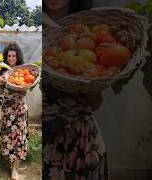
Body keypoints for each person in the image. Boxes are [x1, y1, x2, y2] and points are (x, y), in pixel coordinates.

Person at [43, 0, 109, 179]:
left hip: (80, 140)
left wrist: (82, 81)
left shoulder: (89, 33)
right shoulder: (33, 29)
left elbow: (95, 103)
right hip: (45, 142)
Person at [0, 43, 28, 180]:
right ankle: (6, 159)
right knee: (8, 136)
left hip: (20, 109)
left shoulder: (22, 71)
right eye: (9, 56)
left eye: (14, 56)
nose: (11, 58)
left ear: (18, 57)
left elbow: (26, 88)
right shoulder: (2, 71)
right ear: (6, 57)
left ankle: (15, 169)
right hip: (7, 109)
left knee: (18, 138)